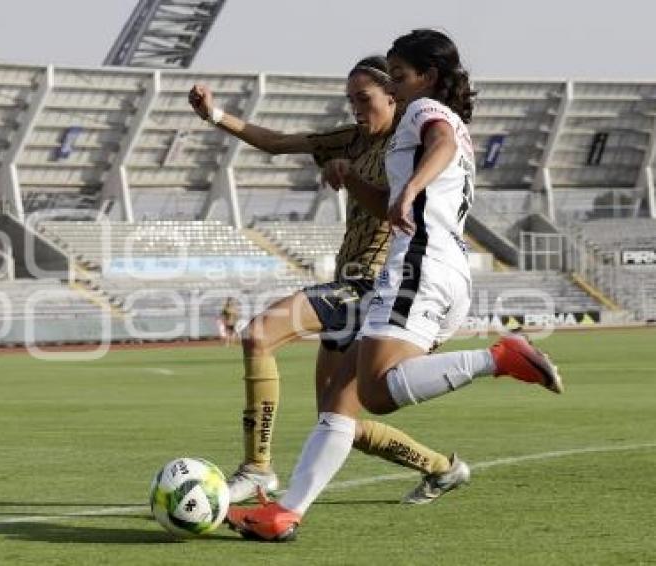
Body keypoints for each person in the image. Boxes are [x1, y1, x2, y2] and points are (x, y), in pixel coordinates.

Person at [226, 29, 564, 541]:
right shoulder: (437, 122)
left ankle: (499, 358)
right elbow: (394, 189)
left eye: (399, 77)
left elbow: (441, 143)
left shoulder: (428, 114)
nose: (397, 86)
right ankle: (286, 513)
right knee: (343, 402)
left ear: (426, 78)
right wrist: (360, 180)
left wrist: (410, 187)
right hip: (443, 272)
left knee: (376, 395)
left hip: (417, 268)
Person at [190, 56, 473, 505]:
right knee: (335, 419)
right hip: (349, 281)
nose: (357, 109)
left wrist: (392, 184)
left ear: (393, 97)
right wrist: (216, 116)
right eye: (350, 100)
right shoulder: (351, 138)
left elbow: (436, 156)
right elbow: (279, 142)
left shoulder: (410, 137)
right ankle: (442, 467)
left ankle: (257, 470)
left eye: (365, 100)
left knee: (260, 334)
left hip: (379, 283)